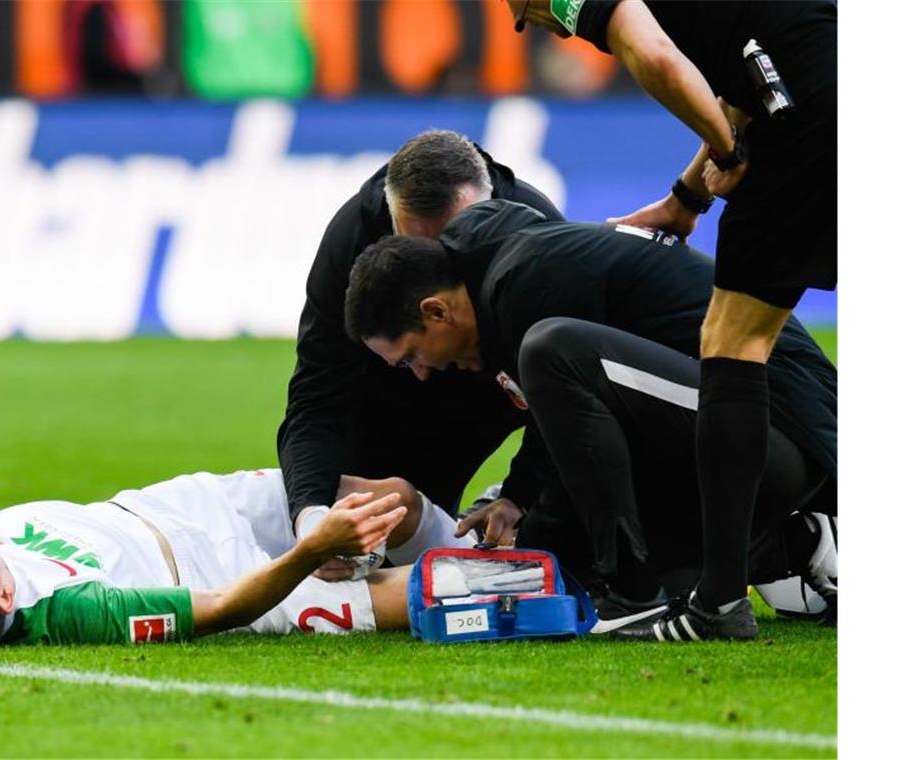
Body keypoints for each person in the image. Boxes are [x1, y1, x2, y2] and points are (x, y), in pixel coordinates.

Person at [344, 199, 836, 638]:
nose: (423, 374)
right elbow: (567, 427)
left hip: (779, 435)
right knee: (592, 564)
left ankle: (634, 597)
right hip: (753, 443)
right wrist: (518, 497)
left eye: (411, 356)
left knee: (550, 351)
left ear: (435, 312)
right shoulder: (504, 267)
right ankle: (794, 545)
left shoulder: (524, 278)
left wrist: (535, 538)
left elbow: (564, 398)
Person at [504, 1, 836, 638]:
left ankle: (718, 602)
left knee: (731, 343)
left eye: (527, 14)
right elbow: (751, 71)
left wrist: (725, 149)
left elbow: (653, 56)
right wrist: (688, 198)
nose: (541, 26)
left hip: (809, 117)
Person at [0, 392, 476, 648]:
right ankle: (532, 579)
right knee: (410, 597)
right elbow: (223, 607)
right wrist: (313, 552)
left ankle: (481, 536)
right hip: (222, 574)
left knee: (393, 498)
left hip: (175, 505)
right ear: (6, 595)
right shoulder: (69, 612)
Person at [278, 129, 564, 573]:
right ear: (390, 220)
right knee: (376, 537)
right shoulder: (352, 241)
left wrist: (520, 493)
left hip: (496, 387)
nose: (438, 269)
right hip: (390, 390)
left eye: (460, 243)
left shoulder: (534, 231)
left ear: (489, 207)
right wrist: (312, 518)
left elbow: (565, 395)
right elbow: (316, 398)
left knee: (556, 529)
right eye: (420, 248)